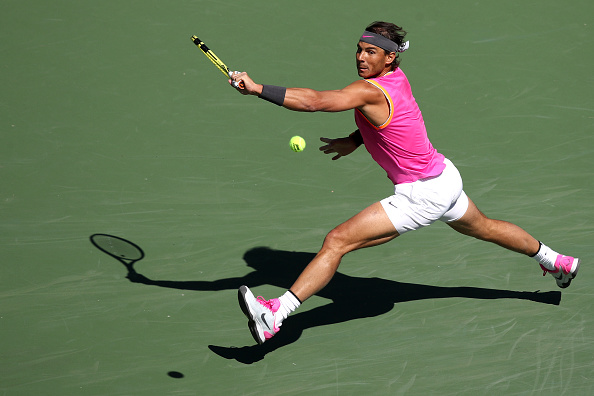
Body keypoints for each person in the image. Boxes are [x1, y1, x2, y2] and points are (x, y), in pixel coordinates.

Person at [229, 21, 581, 345]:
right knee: (485, 227)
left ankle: (275, 313)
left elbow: (317, 101)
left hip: (423, 193)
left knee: (336, 241)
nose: (361, 57)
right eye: (359, 49)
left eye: (371, 52)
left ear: (389, 57)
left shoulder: (367, 91)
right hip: (443, 176)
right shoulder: (397, 78)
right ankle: (556, 261)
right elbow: (393, 124)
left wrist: (258, 88)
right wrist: (356, 139)